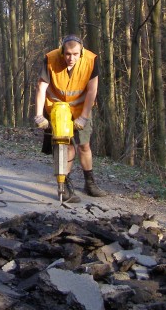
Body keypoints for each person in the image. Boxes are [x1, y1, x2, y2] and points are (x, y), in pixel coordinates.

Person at [34, 35, 108, 203]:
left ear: (81, 52)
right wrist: (39, 115)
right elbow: (41, 87)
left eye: (75, 54)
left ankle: (90, 183)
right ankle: (64, 184)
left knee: (84, 145)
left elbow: (92, 91)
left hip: (81, 108)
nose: (71, 58)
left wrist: (83, 117)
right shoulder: (51, 59)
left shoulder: (91, 60)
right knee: (66, 145)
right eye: (68, 54)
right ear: (62, 51)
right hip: (57, 107)